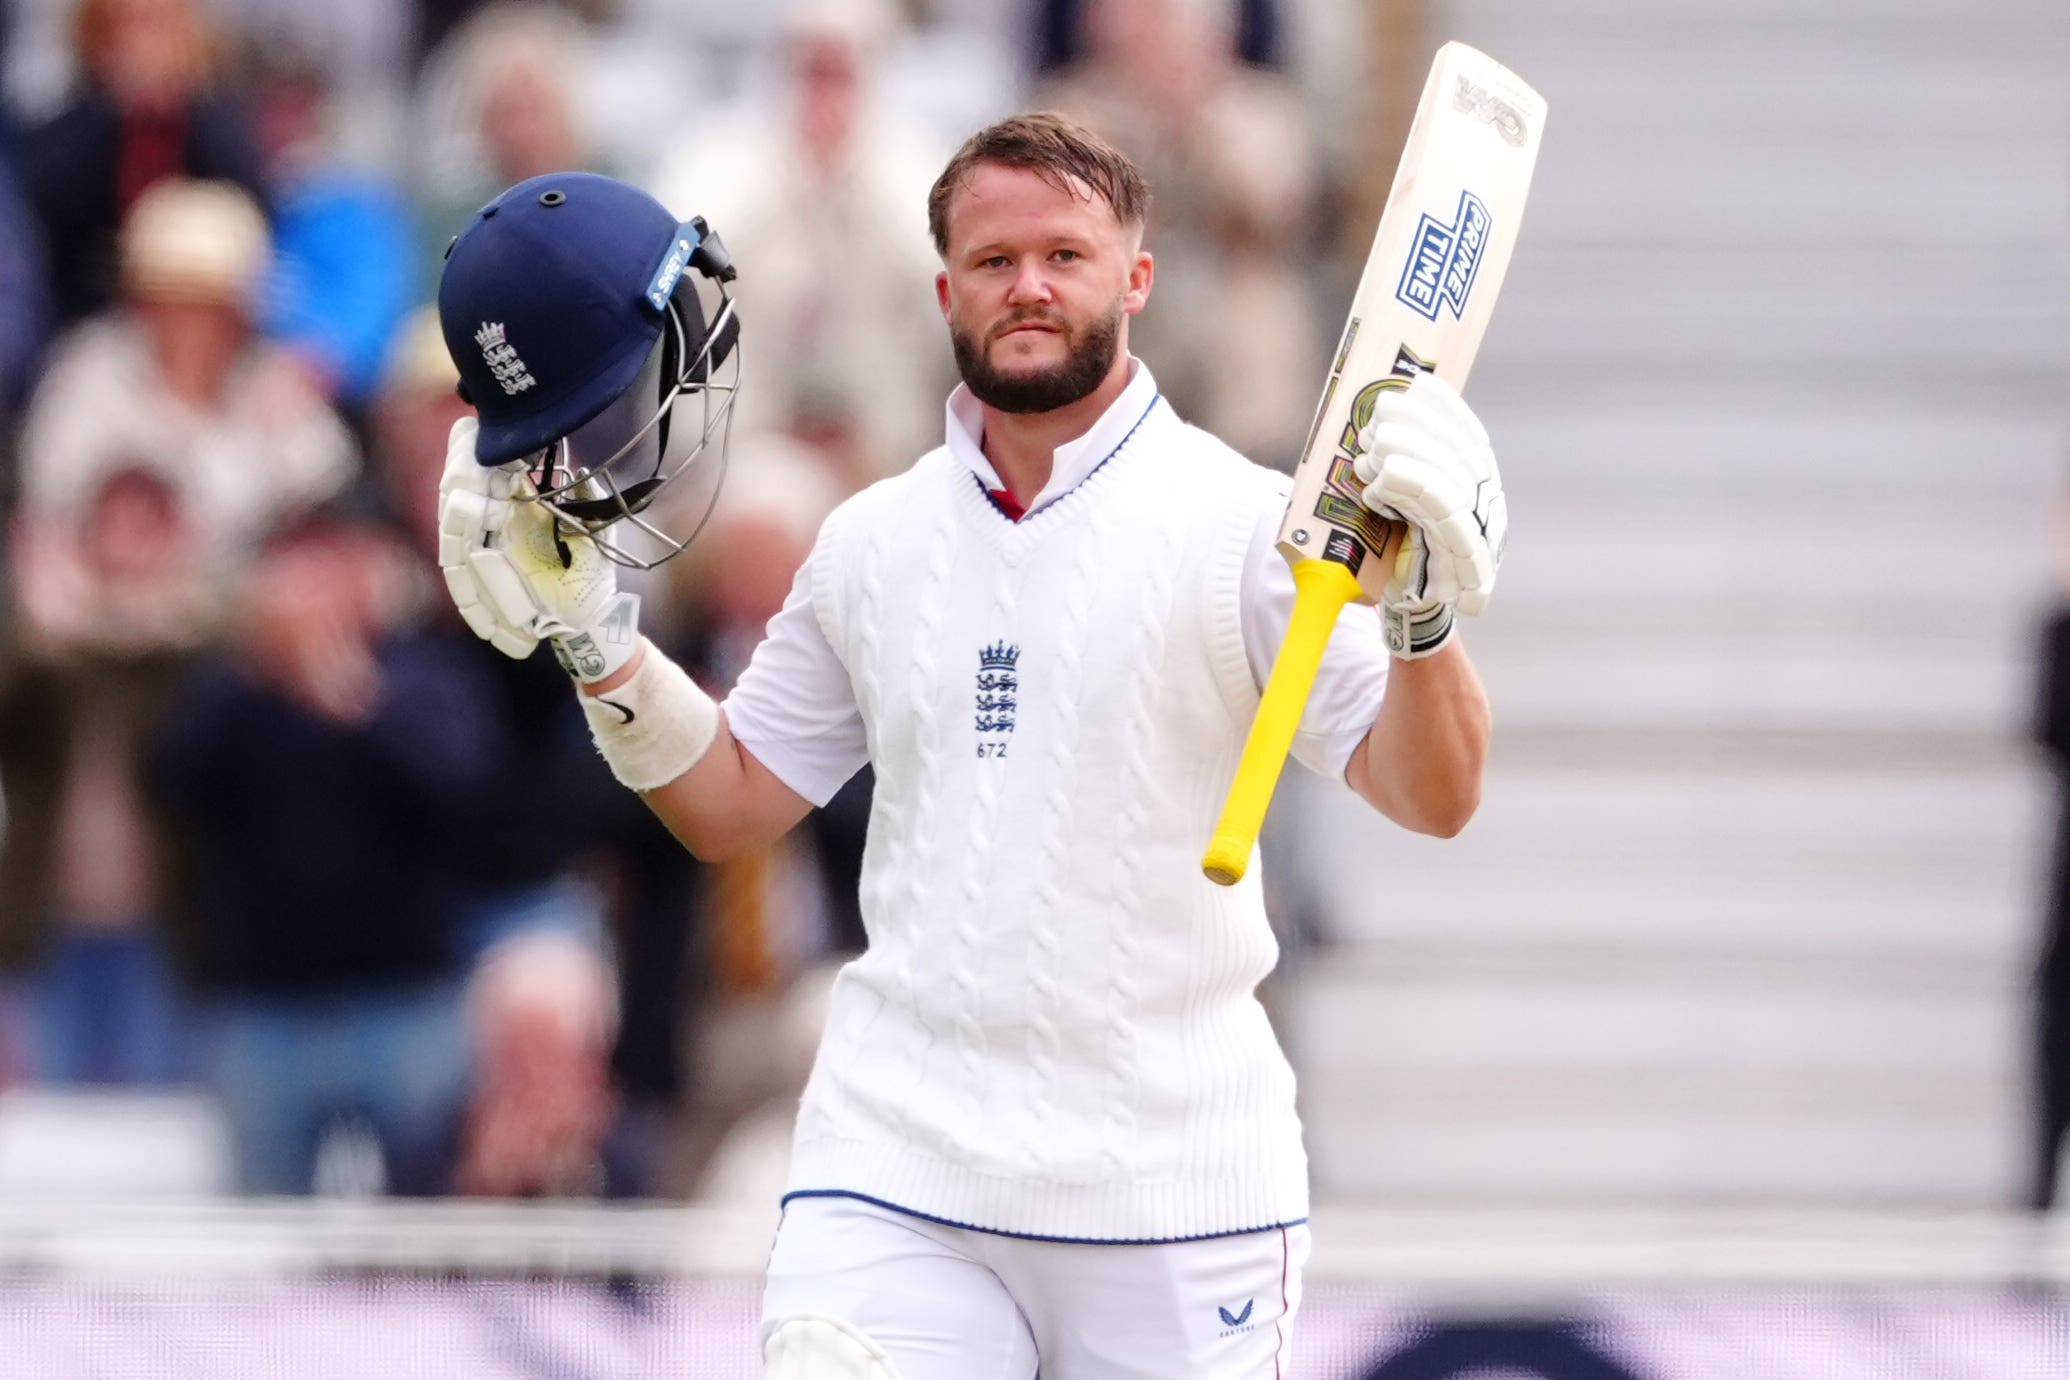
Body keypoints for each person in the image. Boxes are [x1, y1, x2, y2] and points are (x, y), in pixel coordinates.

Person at [431, 114, 1503, 1377]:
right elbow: (730, 805)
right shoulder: (870, 543)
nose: (1028, 286)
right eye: (994, 261)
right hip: (902, 1164)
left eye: (1065, 256)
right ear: (945, 291)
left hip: (1174, 1181)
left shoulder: (1247, 529)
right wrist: (595, 641)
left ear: (1136, 280)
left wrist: (1424, 622)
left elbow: (1436, 796)